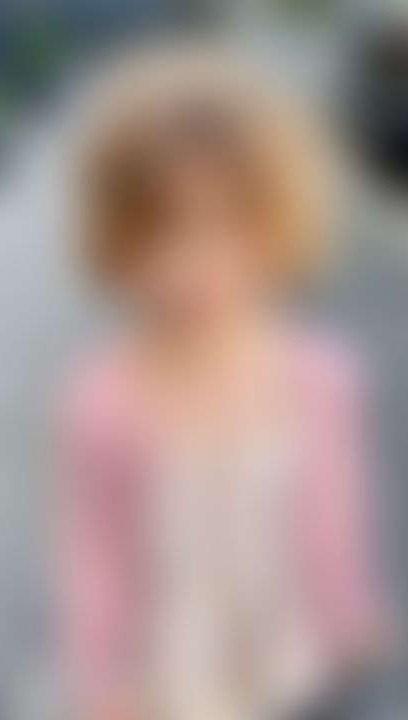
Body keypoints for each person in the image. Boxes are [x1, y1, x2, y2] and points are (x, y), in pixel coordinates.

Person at [56, 45, 387, 720]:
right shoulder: (107, 404)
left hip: (299, 663)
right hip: (177, 683)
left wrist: (353, 615)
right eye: (162, 234)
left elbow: (337, 511)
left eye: (233, 229)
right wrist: (105, 682)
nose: (196, 264)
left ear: (280, 225)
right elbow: (96, 559)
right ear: (115, 237)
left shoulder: (320, 378)